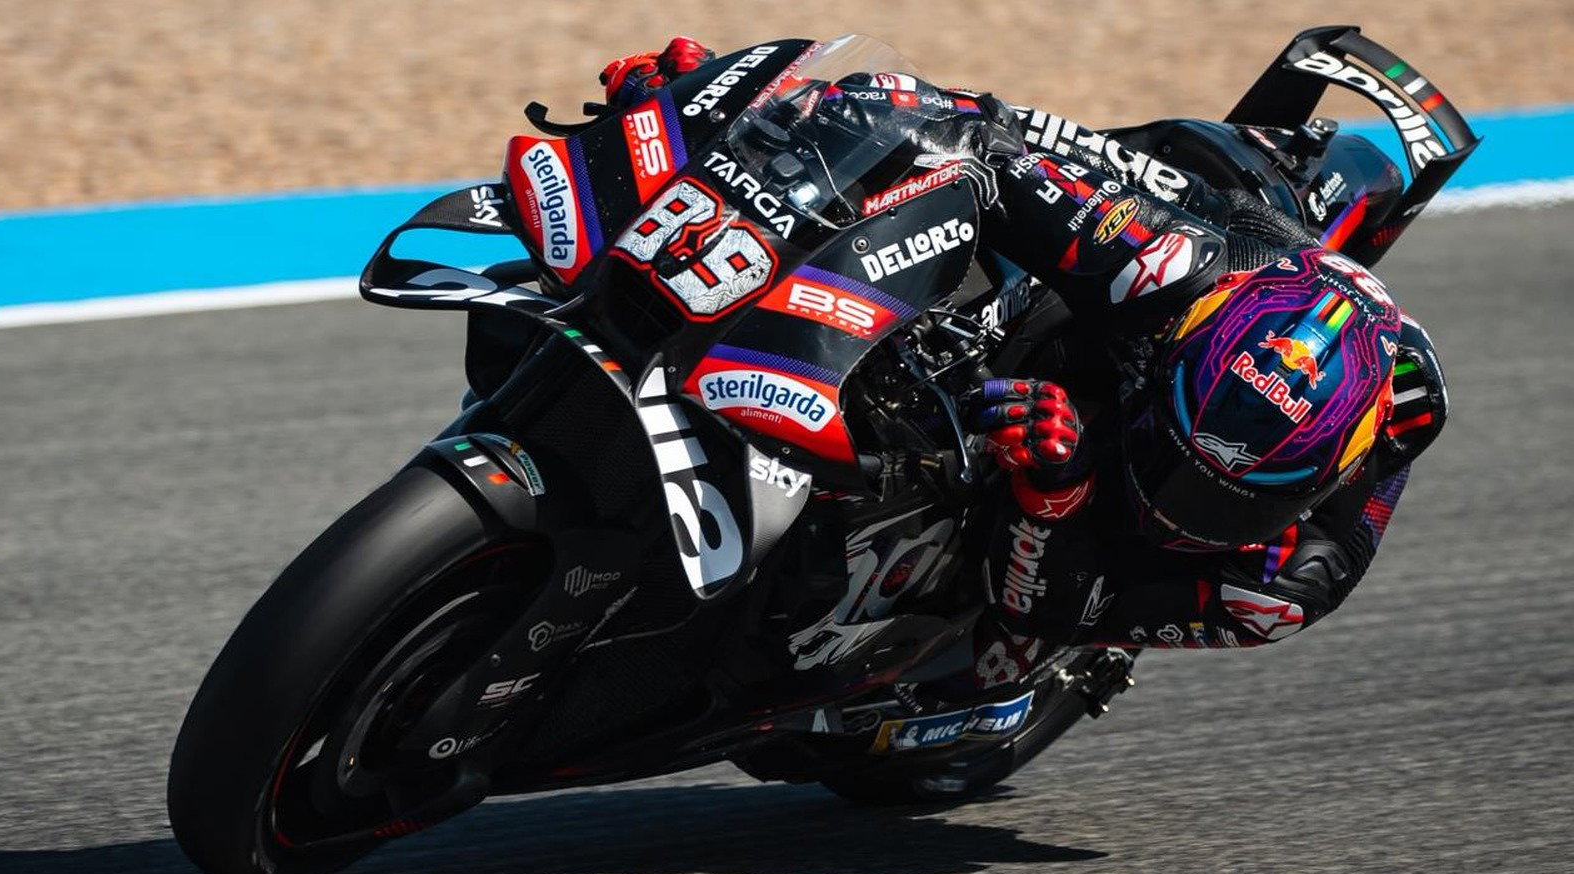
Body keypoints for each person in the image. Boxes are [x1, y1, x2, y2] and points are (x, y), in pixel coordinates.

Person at [595, 38, 1448, 690]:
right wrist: (735, 118)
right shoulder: (1164, 268)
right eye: (1181, 472)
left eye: (1225, 504)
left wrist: (1056, 491)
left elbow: (1048, 607)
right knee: (938, 151)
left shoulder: (1282, 583)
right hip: (1178, 267)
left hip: (1073, 551)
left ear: (1336, 471)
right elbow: (969, 132)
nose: (1178, 510)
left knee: (1000, 656)